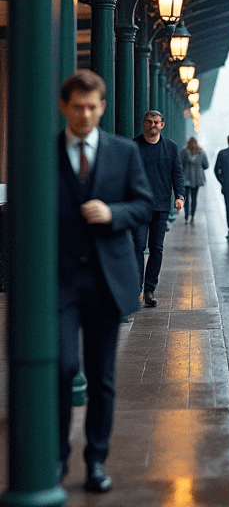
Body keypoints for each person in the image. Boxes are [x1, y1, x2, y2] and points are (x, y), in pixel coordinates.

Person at [57, 69, 155, 492]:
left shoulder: (122, 152)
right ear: (65, 107)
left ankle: (96, 460)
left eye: (92, 106)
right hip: (58, 281)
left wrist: (113, 213)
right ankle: (57, 457)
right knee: (62, 369)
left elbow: (144, 205)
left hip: (106, 281)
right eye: (77, 106)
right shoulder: (45, 151)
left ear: (102, 108)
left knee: (101, 378)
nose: (84, 114)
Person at [133, 110, 185, 308]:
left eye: (156, 122)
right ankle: (136, 289)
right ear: (143, 123)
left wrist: (179, 196)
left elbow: (177, 173)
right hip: (138, 205)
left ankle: (149, 290)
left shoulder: (170, 147)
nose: (152, 125)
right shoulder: (134, 145)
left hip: (161, 205)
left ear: (162, 125)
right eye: (149, 122)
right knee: (137, 247)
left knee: (156, 248)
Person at [180, 136, 209, 224]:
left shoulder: (184, 152)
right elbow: (206, 165)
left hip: (186, 179)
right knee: (194, 198)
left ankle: (186, 216)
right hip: (197, 179)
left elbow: (180, 165)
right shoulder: (201, 152)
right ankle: (192, 216)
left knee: (186, 198)